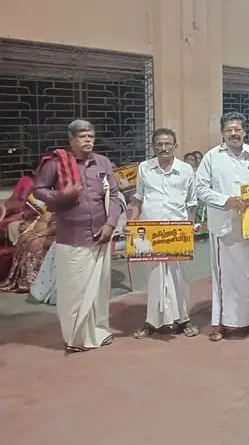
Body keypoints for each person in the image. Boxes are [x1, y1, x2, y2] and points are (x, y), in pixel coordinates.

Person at [33, 119, 122, 353]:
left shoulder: (102, 162)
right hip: (72, 238)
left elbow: (114, 195)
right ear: (71, 140)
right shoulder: (56, 164)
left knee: (99, 290)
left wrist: (111, 224)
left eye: (91, 136)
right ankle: (75, 338)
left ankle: (98, 331)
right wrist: (62, 196)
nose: (88, 141)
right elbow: (38, 190)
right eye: (82, 137)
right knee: (73, 292)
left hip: (101, 236)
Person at [195, 112, 249, 342]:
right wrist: (226, 201)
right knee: (225, 278)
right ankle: (220, 323)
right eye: (229, 130)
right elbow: (200, 189)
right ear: (222, 133)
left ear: (244, 132)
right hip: (224, 227)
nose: (233, 133)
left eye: (237, 129)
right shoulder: (212, 157)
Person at [127, 128, 198, 340]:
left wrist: (190, 228)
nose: (164, 148)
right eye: (159, 144)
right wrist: (132, 223)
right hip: (151, 231)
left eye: (168, 144)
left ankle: (183, 318)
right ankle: (152, 321)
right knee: (154, 278)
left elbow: (191, 203)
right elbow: (138, 198)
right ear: (153, 146)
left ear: (175, 146)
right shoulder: (144, 168)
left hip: (178, 231)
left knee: (179, 277)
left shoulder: (186, 170)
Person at [0, 210, 55, 293]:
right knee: (24, 238)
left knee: (34, 243)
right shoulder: (51, 206)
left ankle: (30, 281)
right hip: (43, 233)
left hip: (58, 237)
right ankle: (18, 280)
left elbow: (57, 227)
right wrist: (30, 227)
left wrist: (38, 234)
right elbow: (40, 219)